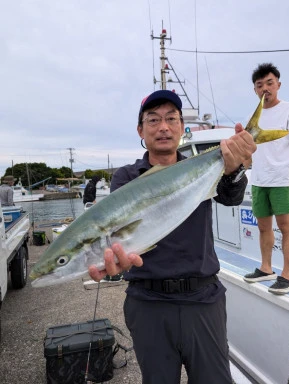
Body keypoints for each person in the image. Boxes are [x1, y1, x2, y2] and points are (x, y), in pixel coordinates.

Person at [89, 89, 256, 384]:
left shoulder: (200, 167)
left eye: (171, 119)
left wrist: (235, 169)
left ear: (181, 127)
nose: (163, 127)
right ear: (140, 130)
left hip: (203, 300)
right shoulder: (127, 178)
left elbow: (230, 197)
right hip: (149, 302)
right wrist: (114, 259)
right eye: (153, 120)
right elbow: (119, 236)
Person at [244, 63, 289, 295]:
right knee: (263, 227)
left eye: (269, 83)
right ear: (255, 90)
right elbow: (248, 152)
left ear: (278, 84)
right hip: (258, 180)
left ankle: (286, 276)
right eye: (259, 85)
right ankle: (266, 268)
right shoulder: (253, 116)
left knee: (285, 227)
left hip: (281, 179)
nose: (265, 88)